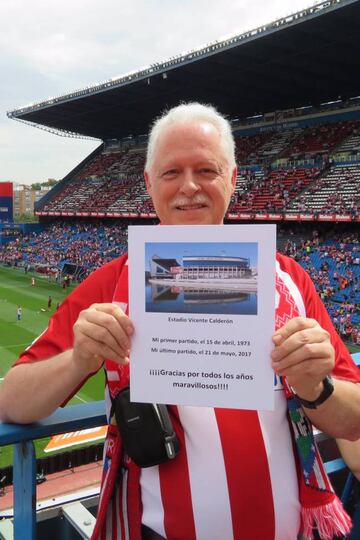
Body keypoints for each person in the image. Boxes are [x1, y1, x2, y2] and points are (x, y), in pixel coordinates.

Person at [0, 103, 359, 540]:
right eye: (171, 173)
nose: (189, 187)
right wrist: (78, 359)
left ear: (233, 177)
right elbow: (12, 402)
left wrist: (317, 386)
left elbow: (352, 419)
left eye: (206, 169)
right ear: (150, 184)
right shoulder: (110, 283)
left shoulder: (288, 278)